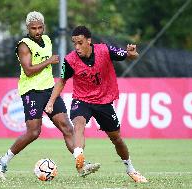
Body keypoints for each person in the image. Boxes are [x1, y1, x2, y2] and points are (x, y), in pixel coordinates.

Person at [0, 12, 100, 181]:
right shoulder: (24, 45)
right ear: (27, 29)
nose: (37, 31)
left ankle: (81, 165)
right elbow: (28, 70)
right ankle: (3, 160)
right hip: (31, 91)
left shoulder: (48, 40)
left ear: (43, 27)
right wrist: (49, 61)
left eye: (39, 27)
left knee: (67, 127)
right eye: (33, 28)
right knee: (34, 132)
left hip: (49, 90)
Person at [45, 25, 148, 183]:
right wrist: (51, 102)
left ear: (89, 41)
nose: (77, 47)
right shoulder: (70, 60)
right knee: (78, 124)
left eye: (80, 43)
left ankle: (131, 169)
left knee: (116, 139)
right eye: (74, 43)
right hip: (82, 99)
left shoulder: (105, 50)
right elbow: (61, 81)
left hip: (104, 101)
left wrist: (132, 53)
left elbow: (129, 55)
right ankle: (79, 156)